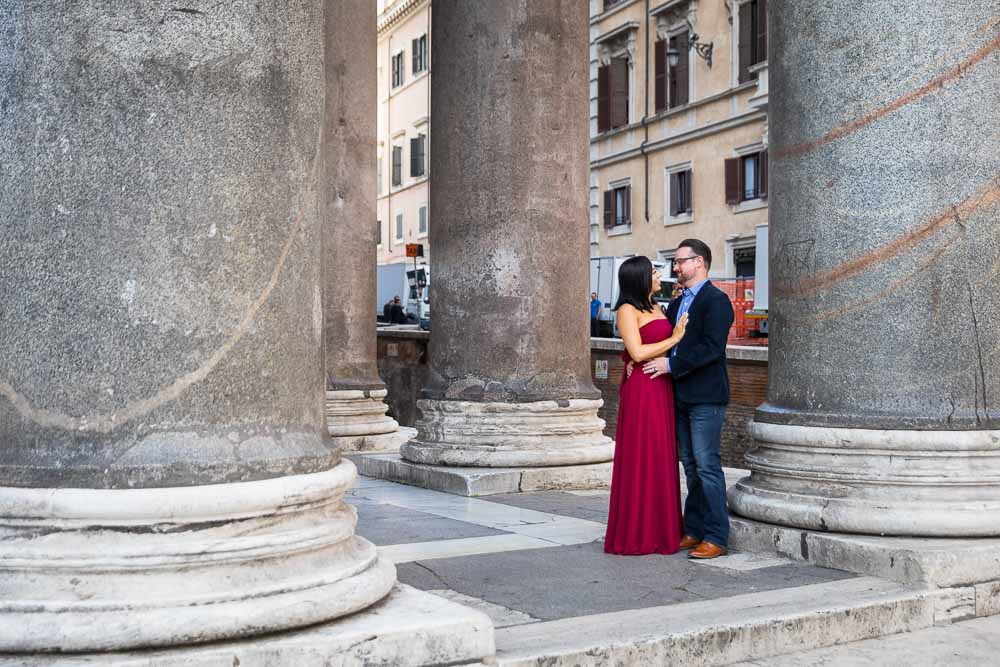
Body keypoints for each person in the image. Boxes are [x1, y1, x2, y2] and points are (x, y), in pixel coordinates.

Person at [641, 239, 734, 559]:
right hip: (679, 394)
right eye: (675, 262)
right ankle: (693, 529)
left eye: (681, 261)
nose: (676, 267)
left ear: (700, 263)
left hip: (706, 397)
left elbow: (712, 347)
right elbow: (667, 340)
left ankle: (717, 536)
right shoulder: (677, 302)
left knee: (708, 466)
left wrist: (671, 365)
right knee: (691, 467)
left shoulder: (717, 301)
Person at [604, 256, 688, 555]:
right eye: (653, 272)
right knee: (643, 454)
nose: (658, 275)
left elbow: (633, 352)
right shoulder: (627, 310)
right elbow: (637, 351)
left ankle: (661, 529)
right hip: (643, 389)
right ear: (639, 277)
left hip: (662, 386)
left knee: (661, 455)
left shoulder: (656, 306)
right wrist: (676, 337)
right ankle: (638, 531)